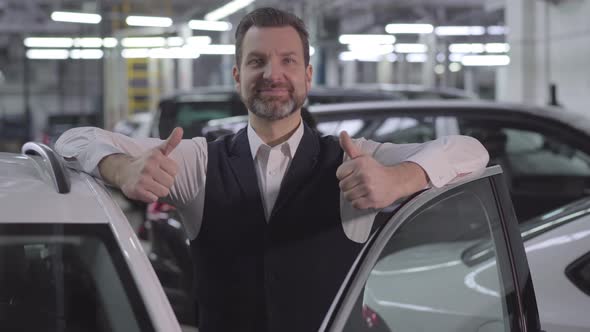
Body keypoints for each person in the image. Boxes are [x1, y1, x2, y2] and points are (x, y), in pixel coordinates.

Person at [55, 7, 489, 332]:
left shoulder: (356, 160)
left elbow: (470, 149)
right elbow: (72, 141)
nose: (272, 74)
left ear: (308, 75)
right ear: (237, 75)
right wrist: (121, 168)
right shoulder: (198, 163)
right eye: (257, 61)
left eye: (287, 61)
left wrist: (400, 179)